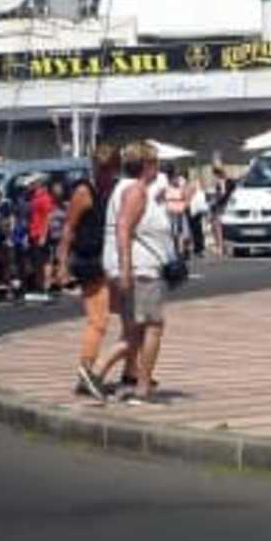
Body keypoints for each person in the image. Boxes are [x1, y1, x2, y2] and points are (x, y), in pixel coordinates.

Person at [104, 142, 182, 404]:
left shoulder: (131, 188)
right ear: (146, 165)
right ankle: (139, 384)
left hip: (139, 267)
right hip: (143, 269)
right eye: (155, 162)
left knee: (135, 329)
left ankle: (126, 376)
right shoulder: (135, 190)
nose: (158, 167)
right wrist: (126, 268)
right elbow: (124, 229)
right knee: (152, 326)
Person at [62, 163, 113, 397]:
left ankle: (91, 371)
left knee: (110, 318)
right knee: (98, 320)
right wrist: (62, 264)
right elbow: (69, 228)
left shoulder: (109, 189)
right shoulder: (84, 192)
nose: (107, 175)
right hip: (88, 260)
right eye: (103, 170)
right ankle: (86, 370)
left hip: (103, 259)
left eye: (110, 170)